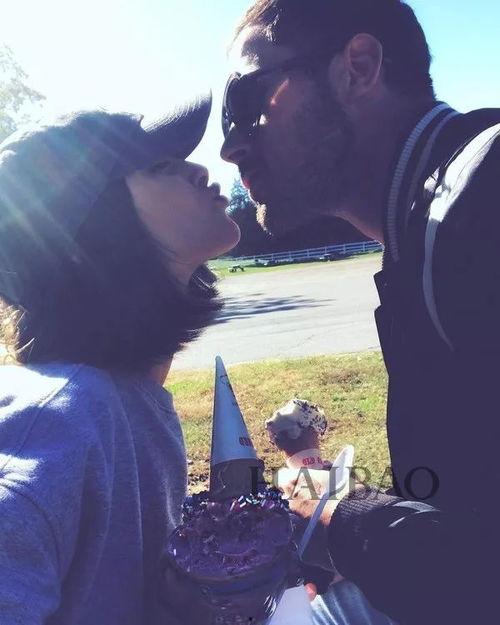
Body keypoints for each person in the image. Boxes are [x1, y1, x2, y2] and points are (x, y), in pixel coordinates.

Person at [220, 1, 500, 624]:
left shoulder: (480, 203)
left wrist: (336, 518)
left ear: (359, 67)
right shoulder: (425, 225)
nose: (231, 146)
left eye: (246, 101)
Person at [0, 97, 240, 624]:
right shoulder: (57, 421)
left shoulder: (124, 398)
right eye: (159, 166)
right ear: (96, 230)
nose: (199, 170)